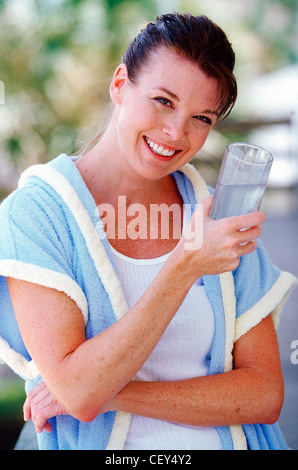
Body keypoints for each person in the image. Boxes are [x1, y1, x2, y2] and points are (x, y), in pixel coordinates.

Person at [0, 13, 296, 451]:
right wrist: (182, 267)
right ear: (120, 84)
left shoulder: (217, 216)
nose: (176, 132)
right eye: (163, 100)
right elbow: (80, 393)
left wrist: (115, 392)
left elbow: (264, 394)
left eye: (202, 118)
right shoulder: (38, 215)